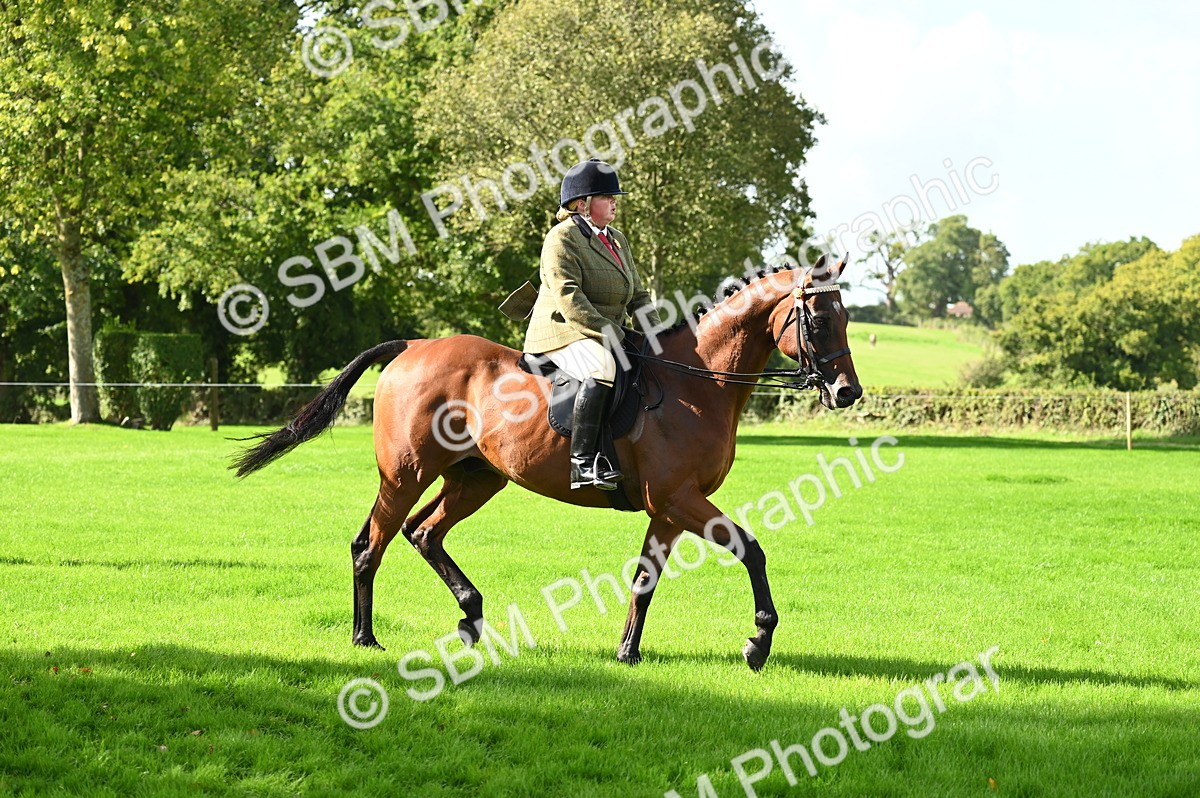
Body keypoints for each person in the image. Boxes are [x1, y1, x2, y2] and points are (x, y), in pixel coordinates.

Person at [523, 158, 661, 491]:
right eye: (608, 196)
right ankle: (583, 463)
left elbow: (638, 295)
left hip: (602, 331)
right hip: (562, 331)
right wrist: (613, 334)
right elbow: (570, 299)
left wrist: (659, 336)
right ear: (582, 204)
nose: (615, 202)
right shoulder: (562, 238)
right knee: (602, 367)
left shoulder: (616, 239)